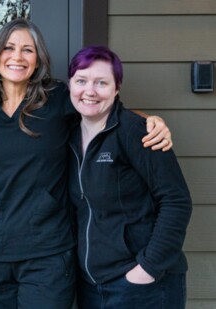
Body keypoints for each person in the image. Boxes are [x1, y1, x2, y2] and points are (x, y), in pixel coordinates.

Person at [0, 19, 172, 308]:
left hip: (48, 253)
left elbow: (106, 113)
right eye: (9, 47)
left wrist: (152, 122)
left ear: (38, 58)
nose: (17, 57)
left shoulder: (57, 98)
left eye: (27, 50)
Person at [67, 45, 192, 308]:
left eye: (101, 82)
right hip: (92, 286)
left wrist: (147, 269)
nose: (89, 91)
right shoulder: (67, 137)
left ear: (116, 88)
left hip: (141, 285)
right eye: (81, 81)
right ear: (70, 85)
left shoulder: (137, 132)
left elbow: (176, 200)